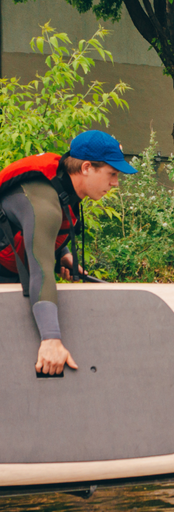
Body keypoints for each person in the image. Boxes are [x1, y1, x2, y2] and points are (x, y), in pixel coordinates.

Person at [0, 130, 136, 376]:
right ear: (86, 168)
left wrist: (63, 253)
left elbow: (31, 234)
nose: (115, 183)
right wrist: (50, 339)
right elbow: (40, 268)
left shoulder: (62, 189)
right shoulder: (44, 204)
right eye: (112, 174)